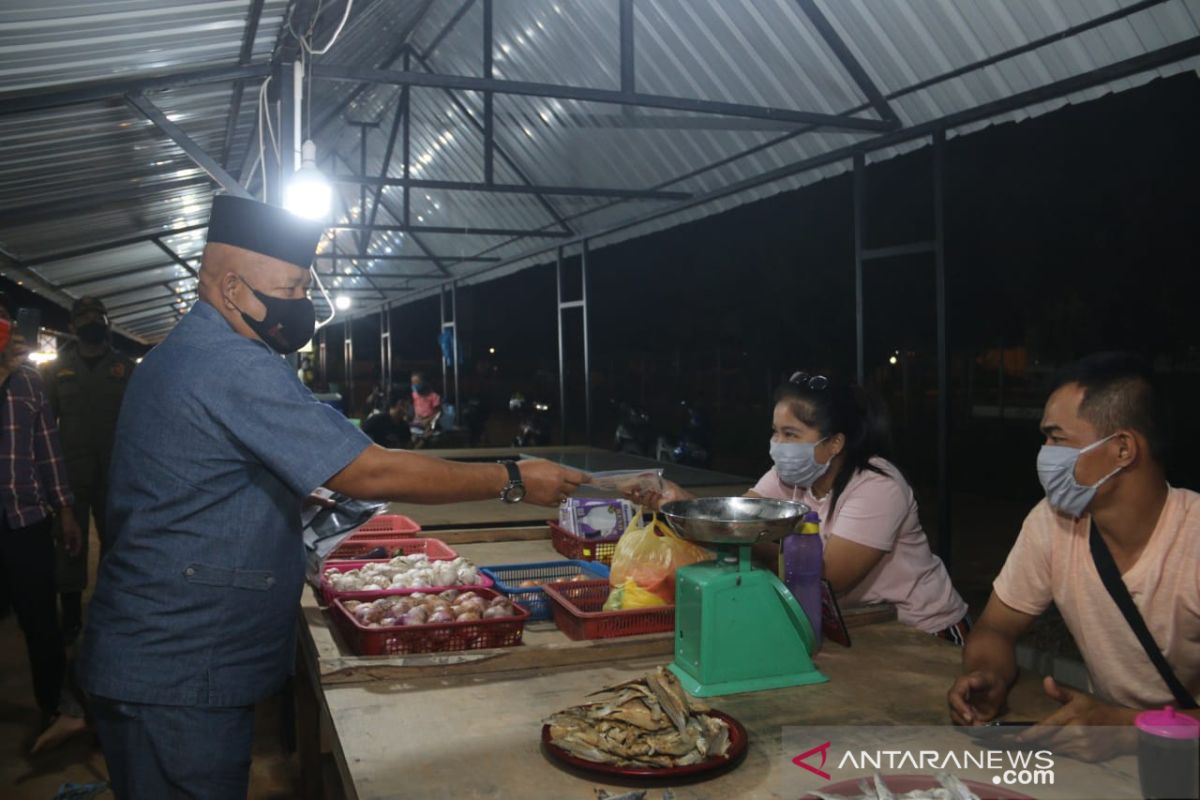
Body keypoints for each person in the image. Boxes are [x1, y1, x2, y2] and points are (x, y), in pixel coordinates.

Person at [77, 195, 587, 799]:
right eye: (292, 285)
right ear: (234, 288)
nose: (302, 304)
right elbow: (366, 471)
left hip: (167, 655)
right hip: (182, 666)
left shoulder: (188, 353)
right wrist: (513, 477)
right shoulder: (228, 362)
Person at [947, 353, 1198, 755]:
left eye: (1058, 439)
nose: (1045, 454)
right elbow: (996, 627)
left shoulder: (1194, 539)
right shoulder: (1052, 523)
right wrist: (988, 673)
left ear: (1122, 449)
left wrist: (1130, 729)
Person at [629, 371, 969, 640]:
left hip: (922, 632)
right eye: (775, 432)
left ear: (835, 443)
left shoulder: (878, 487)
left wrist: (749, 542)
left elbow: (826, 579)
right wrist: (680, 504)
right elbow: (735, 518)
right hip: (857, 626)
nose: (778, 445)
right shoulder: (787, 476)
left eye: (791, 434)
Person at [0, 299, 87, 748]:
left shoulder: (31, 381)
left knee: (41, 621)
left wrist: (65, 510)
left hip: (26, 521)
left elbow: (47, 451)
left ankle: (55, 706)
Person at [42, 296, 136, 643]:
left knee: (117, 545)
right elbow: (46, 425)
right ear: (72, 326)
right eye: (84, 317)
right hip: (70, 474)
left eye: (98, 316)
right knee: (69, 544)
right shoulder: (56, 369)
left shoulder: (125, 369)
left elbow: (138, 422)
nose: (92, 322)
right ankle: (70, 618)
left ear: (107, 322)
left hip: (115, 474)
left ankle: (114, 611)